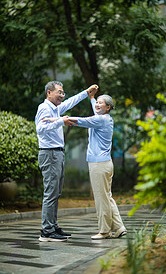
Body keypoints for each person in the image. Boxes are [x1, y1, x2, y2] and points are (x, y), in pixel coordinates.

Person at [43, 90, 127, 240]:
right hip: (104, 163)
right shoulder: (104, 117)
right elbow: (95, 107)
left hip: (98, 164)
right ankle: (119, 227)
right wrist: (92, 98)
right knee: (107, 197)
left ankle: (104, 231)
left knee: (102, 199)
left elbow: (83, 121)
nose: (98, 105)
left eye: (102, 103)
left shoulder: (100, 120)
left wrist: (58, 120)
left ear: (108, 107)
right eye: (98, 102)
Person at [35, 81, 98, 242]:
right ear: (49, 93)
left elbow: (71, 102)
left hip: (57, 154)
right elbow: (40, 129)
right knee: (50, 193)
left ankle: (53, 226)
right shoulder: (44, 108)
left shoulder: (55, 108)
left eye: (63, 93)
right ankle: (47, 231)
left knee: (56, 192)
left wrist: (86, 92)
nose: (62, 95)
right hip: (49, 154)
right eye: (59, 92)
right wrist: (60, 122)